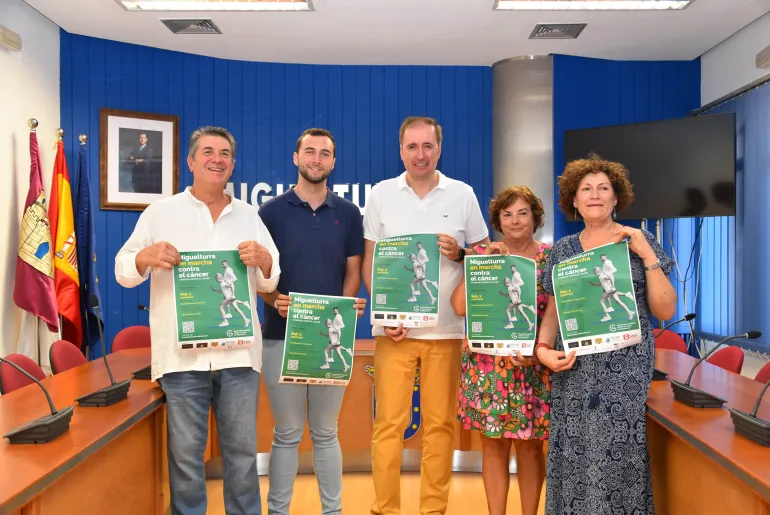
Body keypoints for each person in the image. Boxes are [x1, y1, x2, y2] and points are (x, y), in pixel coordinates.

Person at [115, 126, 280, 515]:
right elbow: (124, 269)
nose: (216, 159)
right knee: (186, 458)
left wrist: (264, 259)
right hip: (182, 360)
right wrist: (145, 257)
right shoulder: (160, 213)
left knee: (241, 455)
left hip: (238, 357)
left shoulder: (249, 216)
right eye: (208, 151)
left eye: (224, 153)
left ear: (232, 165)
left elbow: (271, 279)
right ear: (190, 161)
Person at [363, 116, 490, 515]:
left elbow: (486, 257)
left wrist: (462, 253)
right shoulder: (382, 194)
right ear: (401, 150)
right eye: (412, 146)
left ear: (439, 148)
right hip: (394, 331)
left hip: (446, 332)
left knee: (440, 427)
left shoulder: (462, 194)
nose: (420, 154)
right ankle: (385, 509)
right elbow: (371, 261)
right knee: (387, 427)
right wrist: (384, 314)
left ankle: (433, 509)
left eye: (428, 146)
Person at [536, 154, 676, 515]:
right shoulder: (562, 251)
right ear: (574, 200)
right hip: (573, 369)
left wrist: (647, 254)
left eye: (604, 188)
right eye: (586, 189)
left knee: (618, 453)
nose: (595, 194)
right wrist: (542, 349)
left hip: (624, 371)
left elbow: (665, 310)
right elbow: (553, 312)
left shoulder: (638, 241)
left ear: (617, 198)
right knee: (575, 451)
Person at [257, 128, 366, 515]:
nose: (316, 159)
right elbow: (257, 276)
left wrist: (344, 304)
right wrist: (274, 300)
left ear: (333, 162)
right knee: (285, 433)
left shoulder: (350, 214)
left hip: (328, 338)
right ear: (296, 157)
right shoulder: (268, 212)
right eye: (310, 151)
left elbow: (353, 272)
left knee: (325, 432)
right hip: (278, 338)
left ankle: (332, 511)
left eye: (325, 153)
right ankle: (278, 511)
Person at [450, 185, 552, 515]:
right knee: (492, 445)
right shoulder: (485, 257)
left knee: (530, 447)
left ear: (535, 217)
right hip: (487, 368)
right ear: (498, 220)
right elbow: (459, 306)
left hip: (531, 366)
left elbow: (560, 314)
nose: (515, 220)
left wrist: (539, 350)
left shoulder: (549, 259)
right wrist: (481, 265)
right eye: (507, 214)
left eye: (523, 213)